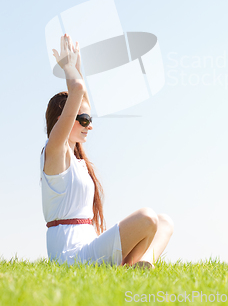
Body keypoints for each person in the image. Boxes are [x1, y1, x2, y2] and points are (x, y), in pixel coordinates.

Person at [40, 33, 174, 268]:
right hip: (70, 255)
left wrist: (78, 68)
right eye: (82, 119)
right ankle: (129, 268)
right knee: (147, 217)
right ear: (62, 120)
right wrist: (69, 68)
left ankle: (140, 267)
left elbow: (81, 94)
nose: (89, 125)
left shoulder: (77, 159)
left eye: (89, 119)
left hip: (88, 246)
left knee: (164, 222)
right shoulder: (55, 151)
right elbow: (77, 89)